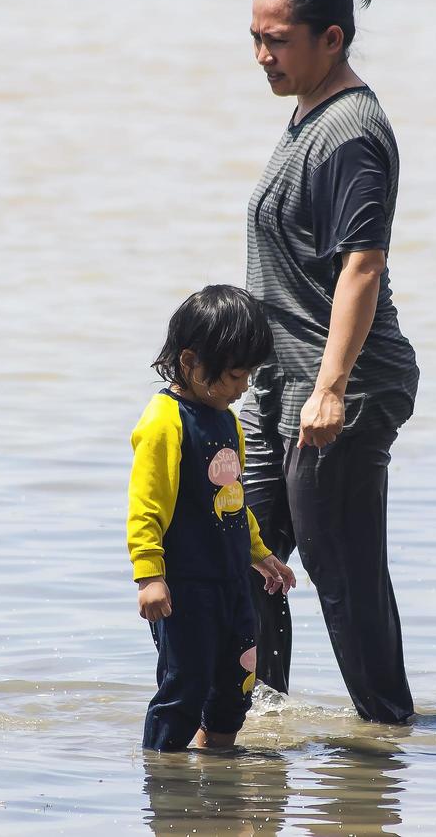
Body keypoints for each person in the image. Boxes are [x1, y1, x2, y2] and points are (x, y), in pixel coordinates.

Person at [241, 0, 419, 724]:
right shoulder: (307, 113)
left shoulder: (351, 132)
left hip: (337, 391)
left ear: (333, 38)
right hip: (276, 386)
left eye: (278, 40)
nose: (262, 56)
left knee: (343, 582)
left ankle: (386, 741)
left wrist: (331, 389)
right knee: (242, 562)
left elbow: (363, 266)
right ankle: (256, 724)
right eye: (254, 36)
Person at [128, 284, 298, 751]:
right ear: (190, 362)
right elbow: (146, 506)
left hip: (231, 583)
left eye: (249, 375)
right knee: (185, 686)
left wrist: (261, 555)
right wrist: (149, 576)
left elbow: (234, 501)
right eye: (235, 375)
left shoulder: (227, 420)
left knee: (237, 683)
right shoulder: (164, 421)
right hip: (184, 588)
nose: (244, 386)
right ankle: (164, 777)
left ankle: (218, 763)